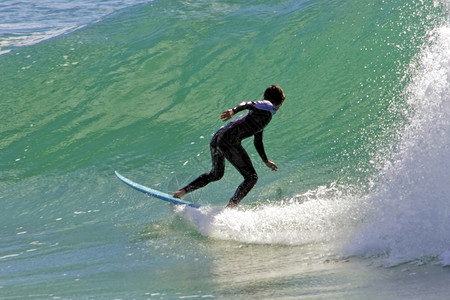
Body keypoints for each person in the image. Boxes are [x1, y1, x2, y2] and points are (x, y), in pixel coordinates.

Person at [173, 85, 285, 208]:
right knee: (251, 178)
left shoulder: (263, 115)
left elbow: (258, 141)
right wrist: (233, 110)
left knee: (216, 174)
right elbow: (247, 103)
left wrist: (265, 161)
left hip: (217, 139)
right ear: (279, 101)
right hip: (228, 141)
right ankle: (230, 207)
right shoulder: (268, 106)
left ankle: (181, 192)